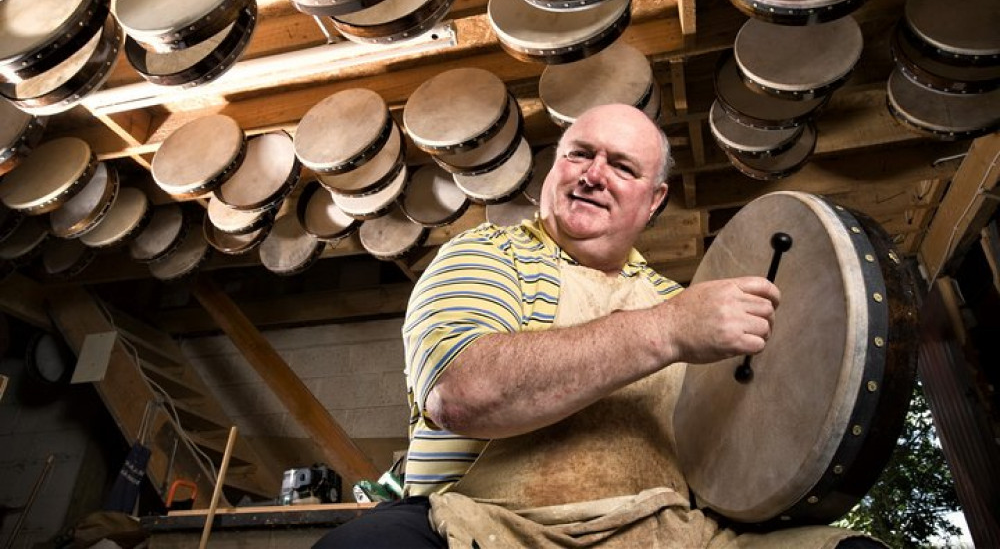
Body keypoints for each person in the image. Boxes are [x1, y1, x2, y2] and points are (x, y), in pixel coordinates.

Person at [314, 103, 882, 548]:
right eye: (579, 154)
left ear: (655, 199)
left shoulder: (675, 299)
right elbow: (464, 393)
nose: (593, 175)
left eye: (622, 166)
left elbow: (736, 459)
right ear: (554, 168)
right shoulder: (488, 254)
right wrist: (667, 332)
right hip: (490, 529)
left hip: (669, 537)